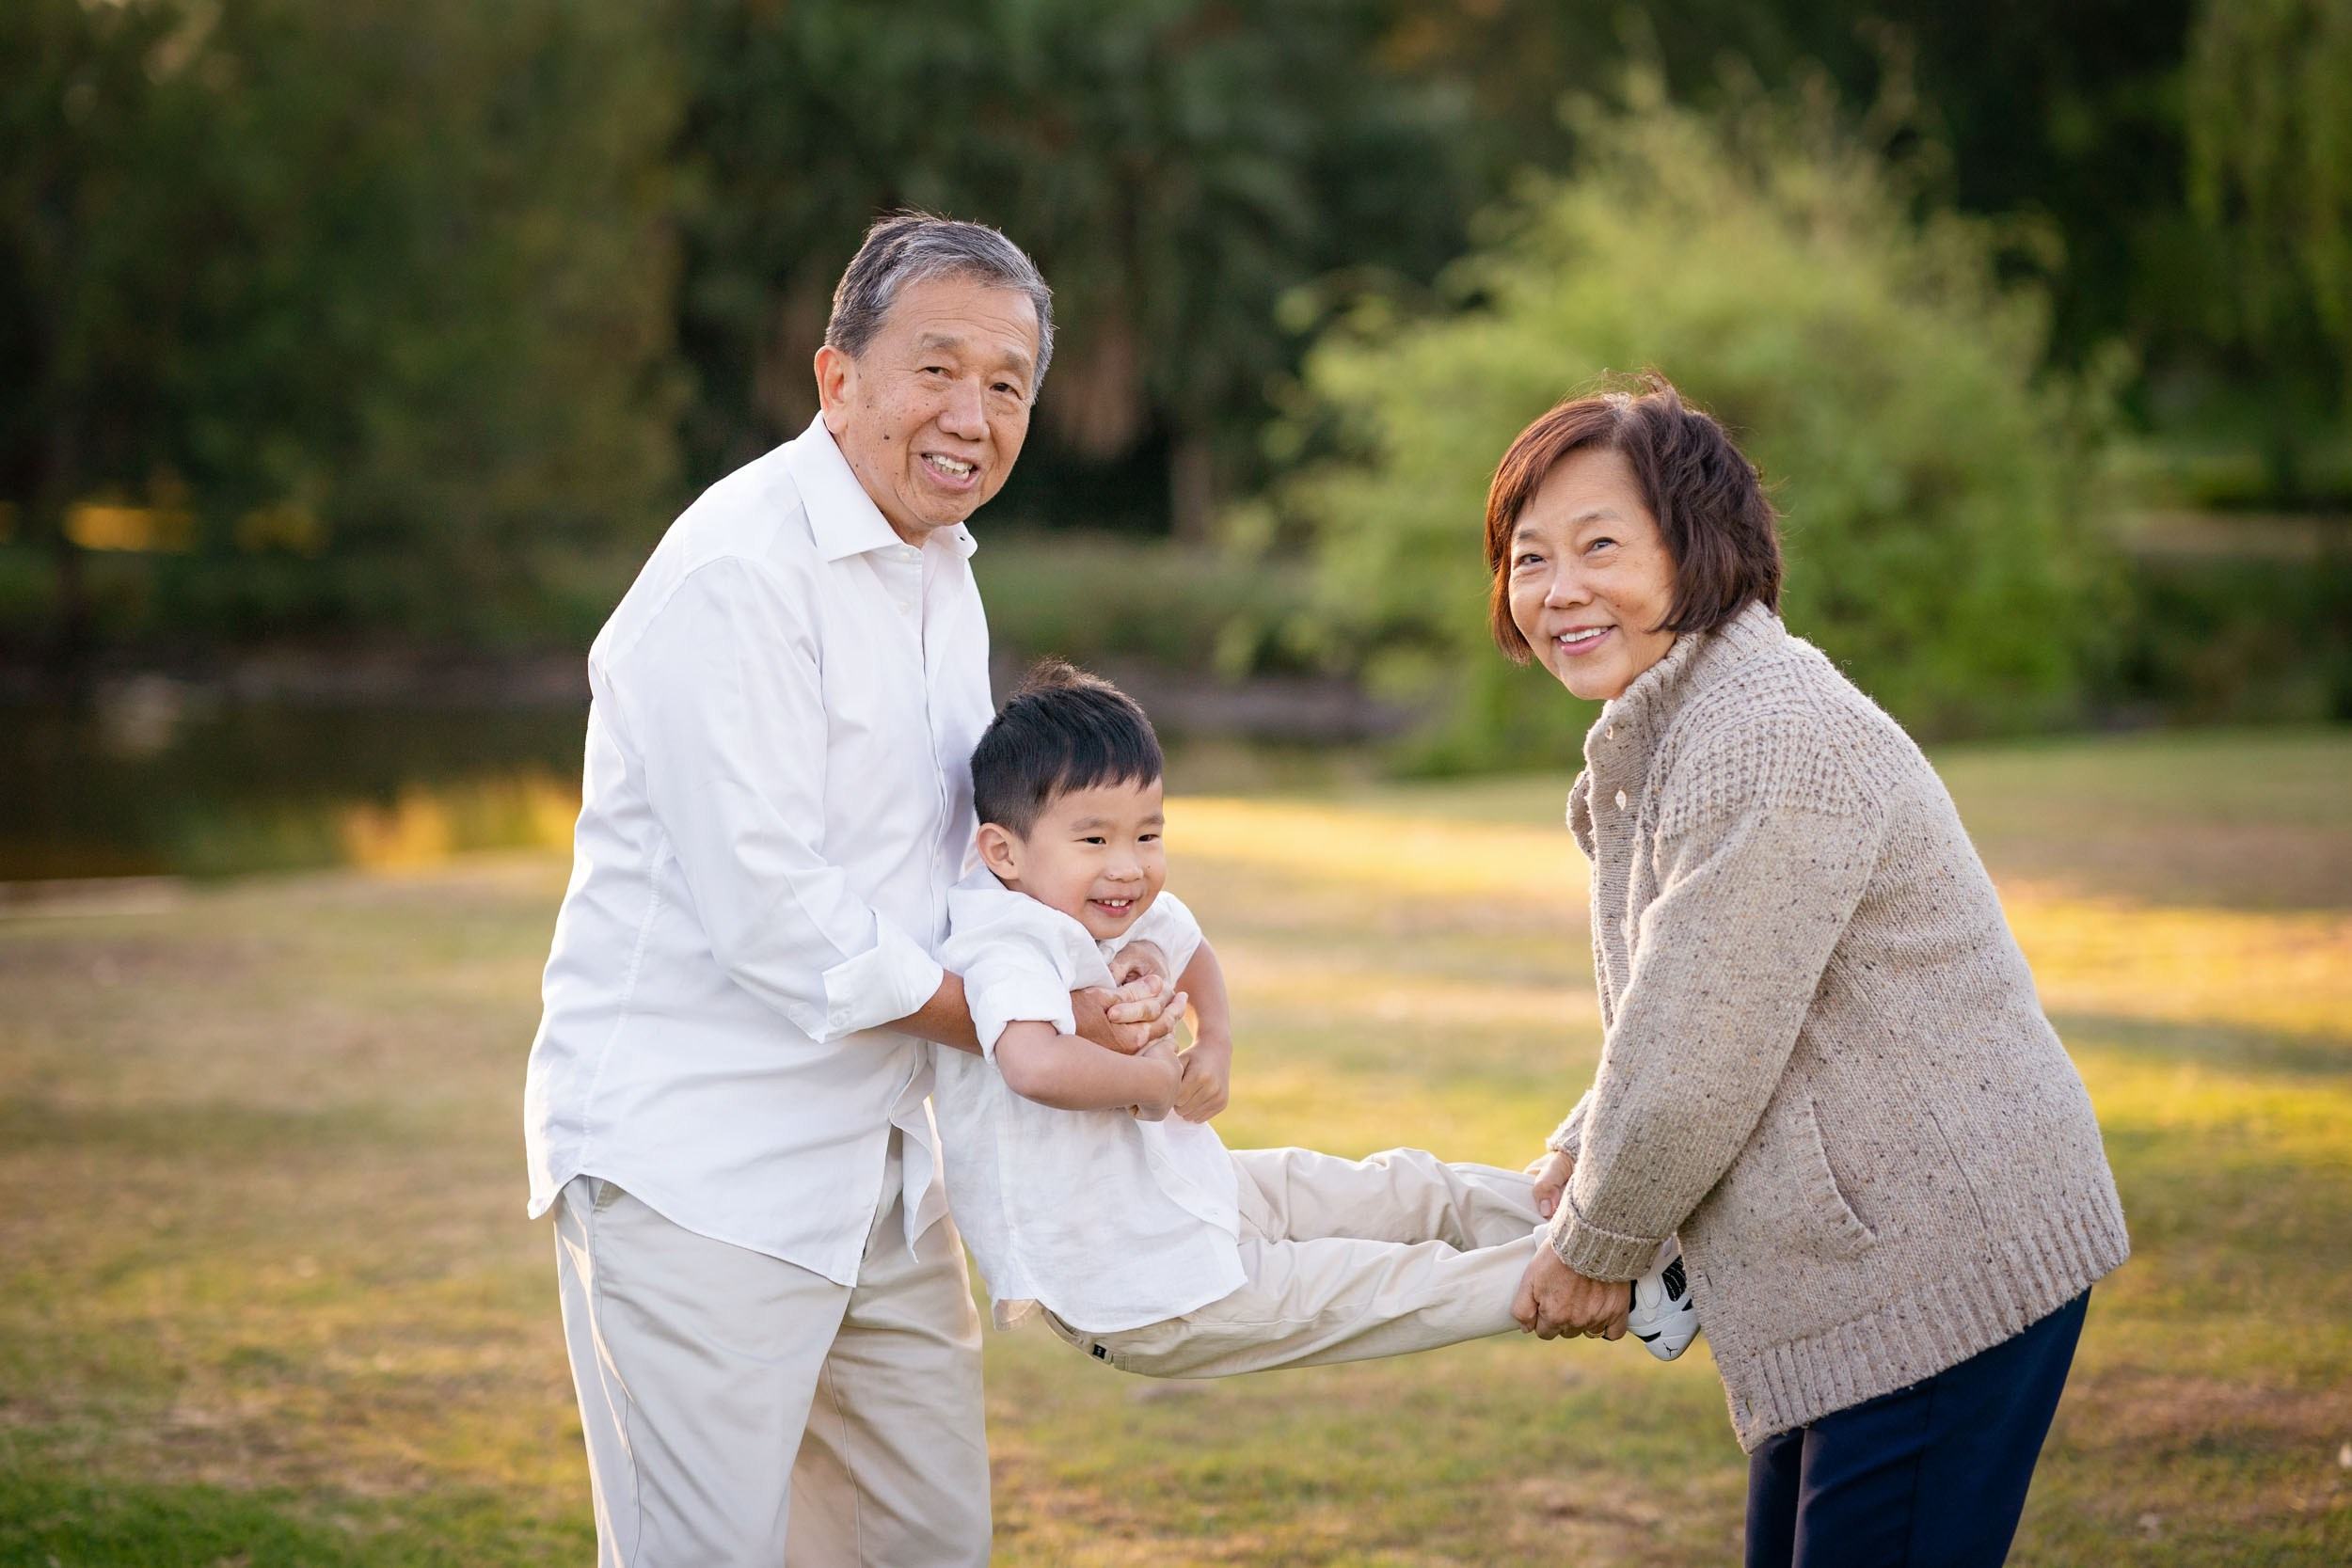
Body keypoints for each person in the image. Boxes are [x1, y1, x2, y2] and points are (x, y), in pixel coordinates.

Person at [520, 214, 1178, 1567]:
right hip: (698, 1169)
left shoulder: (944, 569)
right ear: (836, 380)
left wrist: (1091, 964)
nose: (973, 413)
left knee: (923, 1541)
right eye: (937, 367)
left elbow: (955, 859)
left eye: (1009, 384)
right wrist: (1018, 1023)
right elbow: (777, 912)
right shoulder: (737, 573)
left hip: (880, 1176)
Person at [1496, 374, 2131, 1567]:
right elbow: (1690, 989)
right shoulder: (1689, 718)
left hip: (1940, 1261)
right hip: (1856, 1273)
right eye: (1530, 558)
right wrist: (1589, 1144)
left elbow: (1698, 1048)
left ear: (1698, 546)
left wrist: (1598, 1245)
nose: (1556, 589)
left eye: (1598, 546)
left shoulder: (1763, 737)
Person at [930, 659, 1698, 1378]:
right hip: (1141, 1287)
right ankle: (1620, 1280)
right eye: (1095, 838)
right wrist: (1154, 1080)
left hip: (1192, 1192)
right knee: (1385, 1288)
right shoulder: (1006, 940)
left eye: (1148, 834)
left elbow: (1190, 949)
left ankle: (1611, 1214)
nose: (1129, 865)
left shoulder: (1102, 901)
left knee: (1400, 1186)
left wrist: (1216, 1043)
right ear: (1002, 851)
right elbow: (1033, 1063)